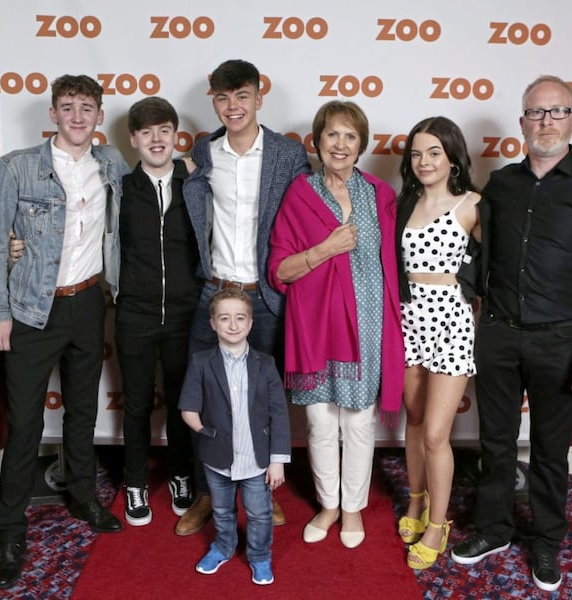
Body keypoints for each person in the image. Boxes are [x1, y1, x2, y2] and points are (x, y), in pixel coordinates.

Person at [450, 76, 572, 593]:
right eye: (535, 113)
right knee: (496, 442)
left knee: (551, 449)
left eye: (556, 112)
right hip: (499, 335)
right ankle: (494, 529)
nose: (545, 121)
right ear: (522, 121)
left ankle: (547, 540)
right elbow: (480, 255)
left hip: (562, 341)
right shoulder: (501, 185)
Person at [0, 74, 130, 590]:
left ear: (99, 114)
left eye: (87, 107)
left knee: (83, 411)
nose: (77, 116)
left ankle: (83, 497)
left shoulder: (110, 164)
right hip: (29, 310)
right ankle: (10, 531)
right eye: (67, 107)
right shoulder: (17, 167)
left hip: (88, 303)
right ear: (53, 114)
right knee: (24, 425)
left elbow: (148, 189)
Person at [178, 58, 310, 535]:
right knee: (207, 398)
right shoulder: (204, 151)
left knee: (263, 401)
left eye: (241, 96)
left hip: (266, 296)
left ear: (258, 97)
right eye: (222, 98)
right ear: (213, 101)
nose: (232, 107)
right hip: (215, 292)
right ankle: (208, 496)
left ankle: (263, 492)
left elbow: (303, 221)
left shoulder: (286, 155)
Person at [268, 100, 404, 549]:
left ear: (362, 144)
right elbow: (281, 270)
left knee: (359, 424)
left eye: (350, 136)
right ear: (317, 141)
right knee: (320, 422)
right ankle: (328, 506)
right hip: (314, 326)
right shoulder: (301, 194)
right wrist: (326, 248)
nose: (341, 144)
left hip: (368, 327)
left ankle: (352, 509)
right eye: (332, 135)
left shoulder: (381, 194)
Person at [394, 117, 481, 569]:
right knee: (412, 417)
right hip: (409, 319)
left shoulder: (472, 204)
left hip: (450, 320)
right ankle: (415, 499)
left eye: (434, 152)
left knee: (434, 433)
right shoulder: (403, 203)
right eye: (416, 153)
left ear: (452, 157)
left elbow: (500, 266)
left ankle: (437, 522)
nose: (424, 161)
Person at [115, 97, 201, 525]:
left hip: (186, 313)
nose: (156, 139)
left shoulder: (194, 183)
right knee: (135, 403)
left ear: (175, 136)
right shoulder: (120, 189)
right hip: (135, 313)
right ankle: (134, 482)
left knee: (184, 402)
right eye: (146, 132)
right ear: (133, 139)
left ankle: (181, 475)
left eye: (164, 130)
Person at [180, 288, 291, 586]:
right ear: (213, 323)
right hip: (217, 458)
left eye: (240, 318)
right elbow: (188, 408)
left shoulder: (265, 364)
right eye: (225, 318)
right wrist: (205, 433)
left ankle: (259, 556)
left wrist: (277, 460)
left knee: (259, 513)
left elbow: (279, 413)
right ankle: (223, 547)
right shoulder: (201, 362)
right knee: (221, 509)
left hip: (256, 459)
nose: (233, 325)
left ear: (251, 323)